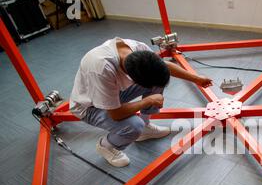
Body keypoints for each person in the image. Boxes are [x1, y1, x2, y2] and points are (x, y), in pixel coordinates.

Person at [69, 37, 212, 167]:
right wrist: (148, 100)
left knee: (156, 80)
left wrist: (196, 78)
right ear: (131, 78)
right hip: (90, 106)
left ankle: (145, 128)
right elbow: (116, 114)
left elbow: (163, 66)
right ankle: (106, 146)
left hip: (113, 93)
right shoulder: (102, 68)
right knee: (133, 126)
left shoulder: (138, 48)